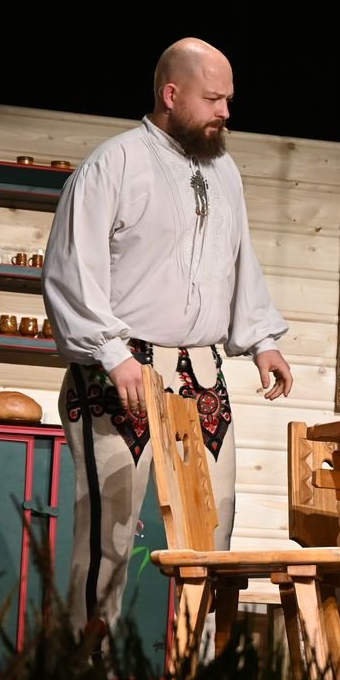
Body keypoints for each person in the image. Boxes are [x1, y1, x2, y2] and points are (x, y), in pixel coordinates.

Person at [42, 37, 294, 642]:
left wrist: (262, 338)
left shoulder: (225, 172)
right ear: (171, 94)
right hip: (122, 369)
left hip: (201, 372)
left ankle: (194, 675)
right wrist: (111, 353)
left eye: (229, 100)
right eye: (213, 99)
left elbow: (240, 260)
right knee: (109, 538)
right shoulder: (115, 164)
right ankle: (87, 677)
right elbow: (71, 267)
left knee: (212, 533)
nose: (225, 112)